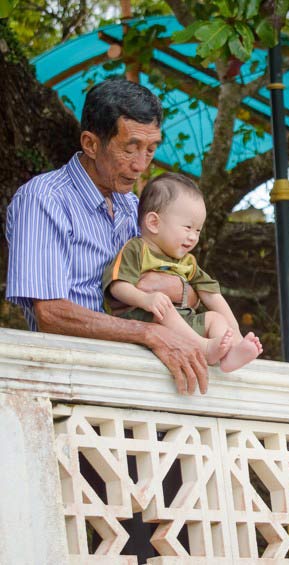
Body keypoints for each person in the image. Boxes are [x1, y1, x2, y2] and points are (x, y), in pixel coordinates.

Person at [5, 77, 209, 394]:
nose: (141, 165)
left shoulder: (133, 207)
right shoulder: (44, 199)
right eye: (130, 149)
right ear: (90, 143)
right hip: (72, 383)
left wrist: (179, 290)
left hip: (140, 382)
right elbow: (50, 314)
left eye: (150, 150)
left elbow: (190, 284)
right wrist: (147, 332)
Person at [103, 172, 263, 372]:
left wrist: (237, 334)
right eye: (187, 227)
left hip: (182, 326)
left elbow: (212, 295)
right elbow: (117, 285)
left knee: (215, 317)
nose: (193, 237)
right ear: (154, 223)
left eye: (197, 230)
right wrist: (145, 299)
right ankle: (204, 348)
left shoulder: (188, 262)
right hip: (146, 322)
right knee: (164, 305)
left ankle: (230, 353)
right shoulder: (136, 249)